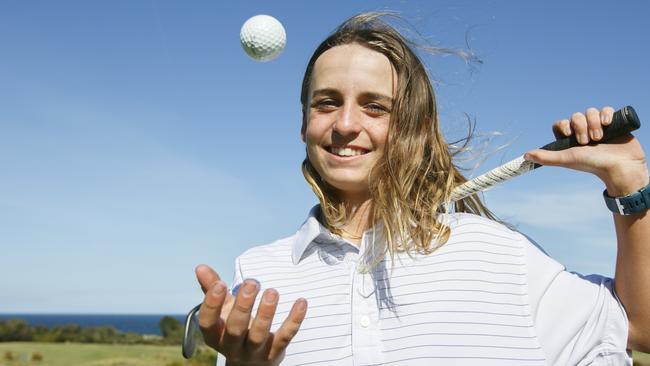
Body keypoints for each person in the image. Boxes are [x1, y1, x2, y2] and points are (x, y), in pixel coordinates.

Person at [194, 12, 650, 365]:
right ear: (304, 124)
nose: (346, 124)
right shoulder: (258, 270)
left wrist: (628, 183)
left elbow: (640, 330)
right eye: (326, 103)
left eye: (375, 107)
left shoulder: (497, 252)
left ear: (412, 127)